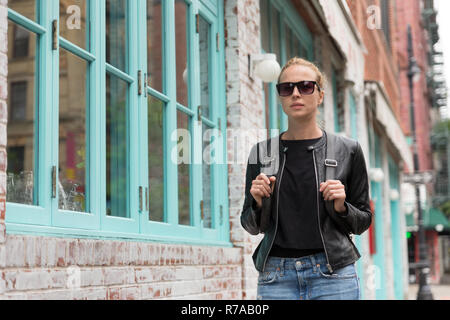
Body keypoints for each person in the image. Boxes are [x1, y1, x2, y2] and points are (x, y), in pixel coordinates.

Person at [240, 57, 373, 300]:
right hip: (276, 277)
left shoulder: (347, 150)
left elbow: (363, 221)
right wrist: (258, 203)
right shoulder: (262, 153)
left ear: (320, 95)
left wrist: (342, 207)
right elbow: (250, 225)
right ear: (280, 96)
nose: (296, 94)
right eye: (286, 88)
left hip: (334, 276)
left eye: (306, 86)